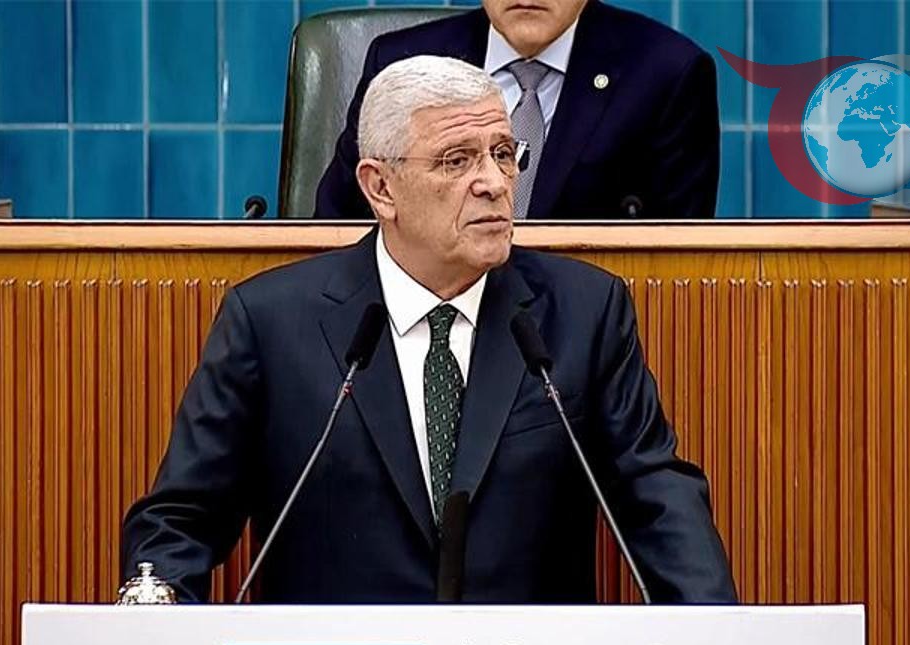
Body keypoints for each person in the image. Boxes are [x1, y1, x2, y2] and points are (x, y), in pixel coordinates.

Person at [121, 56, 736, 604]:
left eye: (504, 154)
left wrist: (715, 639)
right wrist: (154, 613)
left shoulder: (583, 311)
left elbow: (656, 496)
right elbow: (181, 519)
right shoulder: (270, 323)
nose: (495, 183)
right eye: (457, 160)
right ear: (380, 187)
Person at [313, 0, 719, 220]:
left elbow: (676, 258)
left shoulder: (666, 74)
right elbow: (336, 226)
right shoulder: (401, 62)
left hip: (581, 334)